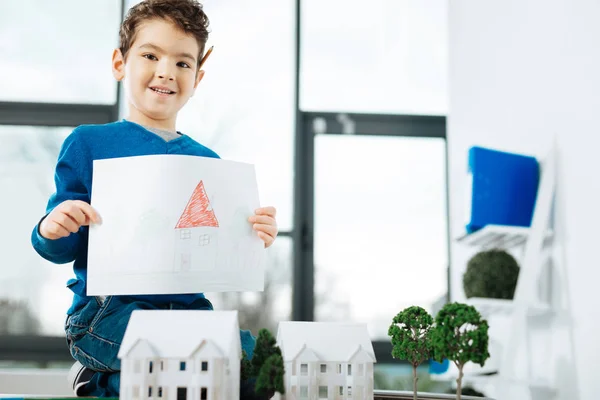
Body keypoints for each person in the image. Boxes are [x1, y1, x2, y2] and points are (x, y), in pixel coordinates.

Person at [30, 0, 278, 396]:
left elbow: (216, 249)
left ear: (197, 78)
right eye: (150, 55)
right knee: (160, 372)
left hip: (187, 311)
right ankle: (97, 378)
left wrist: (254, 234)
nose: (167, 71)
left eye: (183, 63)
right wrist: (53, 227)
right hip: (110, 311)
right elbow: (60, 247)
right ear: (119, 64)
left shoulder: (207, 163)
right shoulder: (88, 143)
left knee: (261, 370)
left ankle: (117, 374)